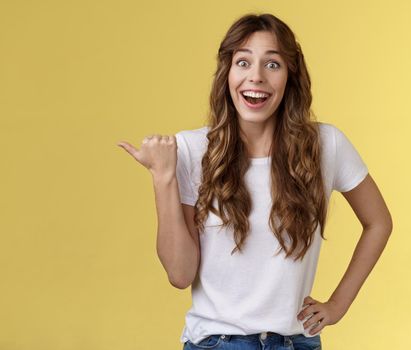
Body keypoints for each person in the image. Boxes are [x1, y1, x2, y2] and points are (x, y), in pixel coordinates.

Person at [117, 12, 393, 350]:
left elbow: (379, 222)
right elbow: (180, 274)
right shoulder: (192, 149)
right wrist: (163, 177)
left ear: (291, 76)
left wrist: (338, 305)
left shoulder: (325, 145)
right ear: (227, 74)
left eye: (272, 65)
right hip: (217, 343)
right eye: (243, 62)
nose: (256, 77)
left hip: (297, 343)